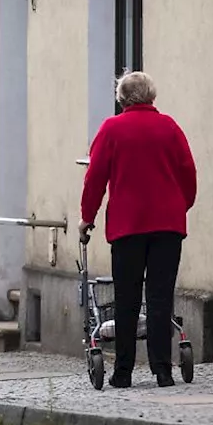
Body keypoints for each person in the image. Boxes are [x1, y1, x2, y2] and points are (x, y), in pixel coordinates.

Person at [78, 71, 197, 388]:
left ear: (122, 98)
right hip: (167, 226)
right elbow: (188, 173)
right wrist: (177, 207)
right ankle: (163, 371)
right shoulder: (169, 127)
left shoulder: (112, 129)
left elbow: (95, 178)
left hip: (127, 226)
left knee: (127, 298)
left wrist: (86, 218)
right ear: (151, 96)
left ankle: (123, 372)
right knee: (160, 298)